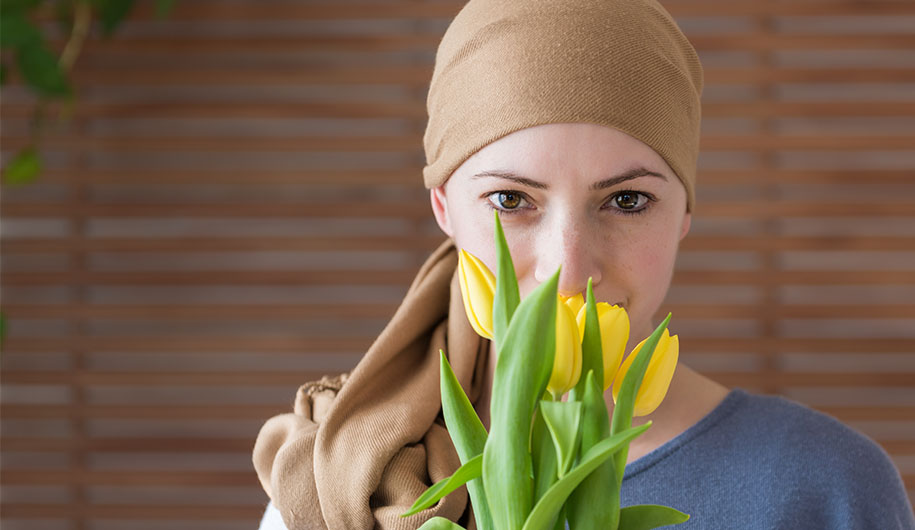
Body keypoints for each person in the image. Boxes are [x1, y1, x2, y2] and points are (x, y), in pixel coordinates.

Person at [252, 0, 915, 528]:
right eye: (511, 199)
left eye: (627, 200)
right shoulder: (339, 478)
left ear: (684, 213)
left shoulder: (826, 488)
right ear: (443, 210)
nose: (569, 269)